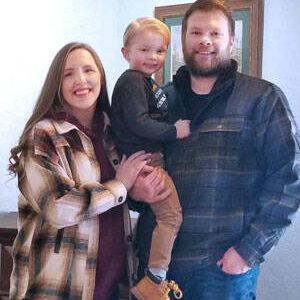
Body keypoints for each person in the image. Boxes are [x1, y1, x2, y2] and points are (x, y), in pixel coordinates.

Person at [133, 1, 300, 299]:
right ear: (183, 40)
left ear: (231, 41)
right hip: (156, 270)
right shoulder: (159, 102)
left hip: (221, 271)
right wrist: (136, 191)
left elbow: (288, 181)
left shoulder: (262, 99)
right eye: (195, 32)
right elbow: (138, 164)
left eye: (215, 33)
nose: (205, 40)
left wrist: (249, 251)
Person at [8, 42, 155, 300]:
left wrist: (137, 191)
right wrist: (119, 186)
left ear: (101, 76)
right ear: (57, 83)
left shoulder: (113, 131)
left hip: (113, 284)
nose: (81, 80)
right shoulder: (44, 135)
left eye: (89, 70)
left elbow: (121, 195)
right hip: (56, 290)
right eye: (68, 74)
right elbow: (58, 208)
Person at [110, 17, 188, 300]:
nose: (153, 57)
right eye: (144, 50)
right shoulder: (132, 82)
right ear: (126, 52)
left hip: (148, 160)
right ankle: (154, 280)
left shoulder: (146, 82)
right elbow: (139, 123)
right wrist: (174, 131)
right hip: (146, 162)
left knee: (165, 216)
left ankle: (153, 277)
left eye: (160, 50)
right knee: (171, 216)